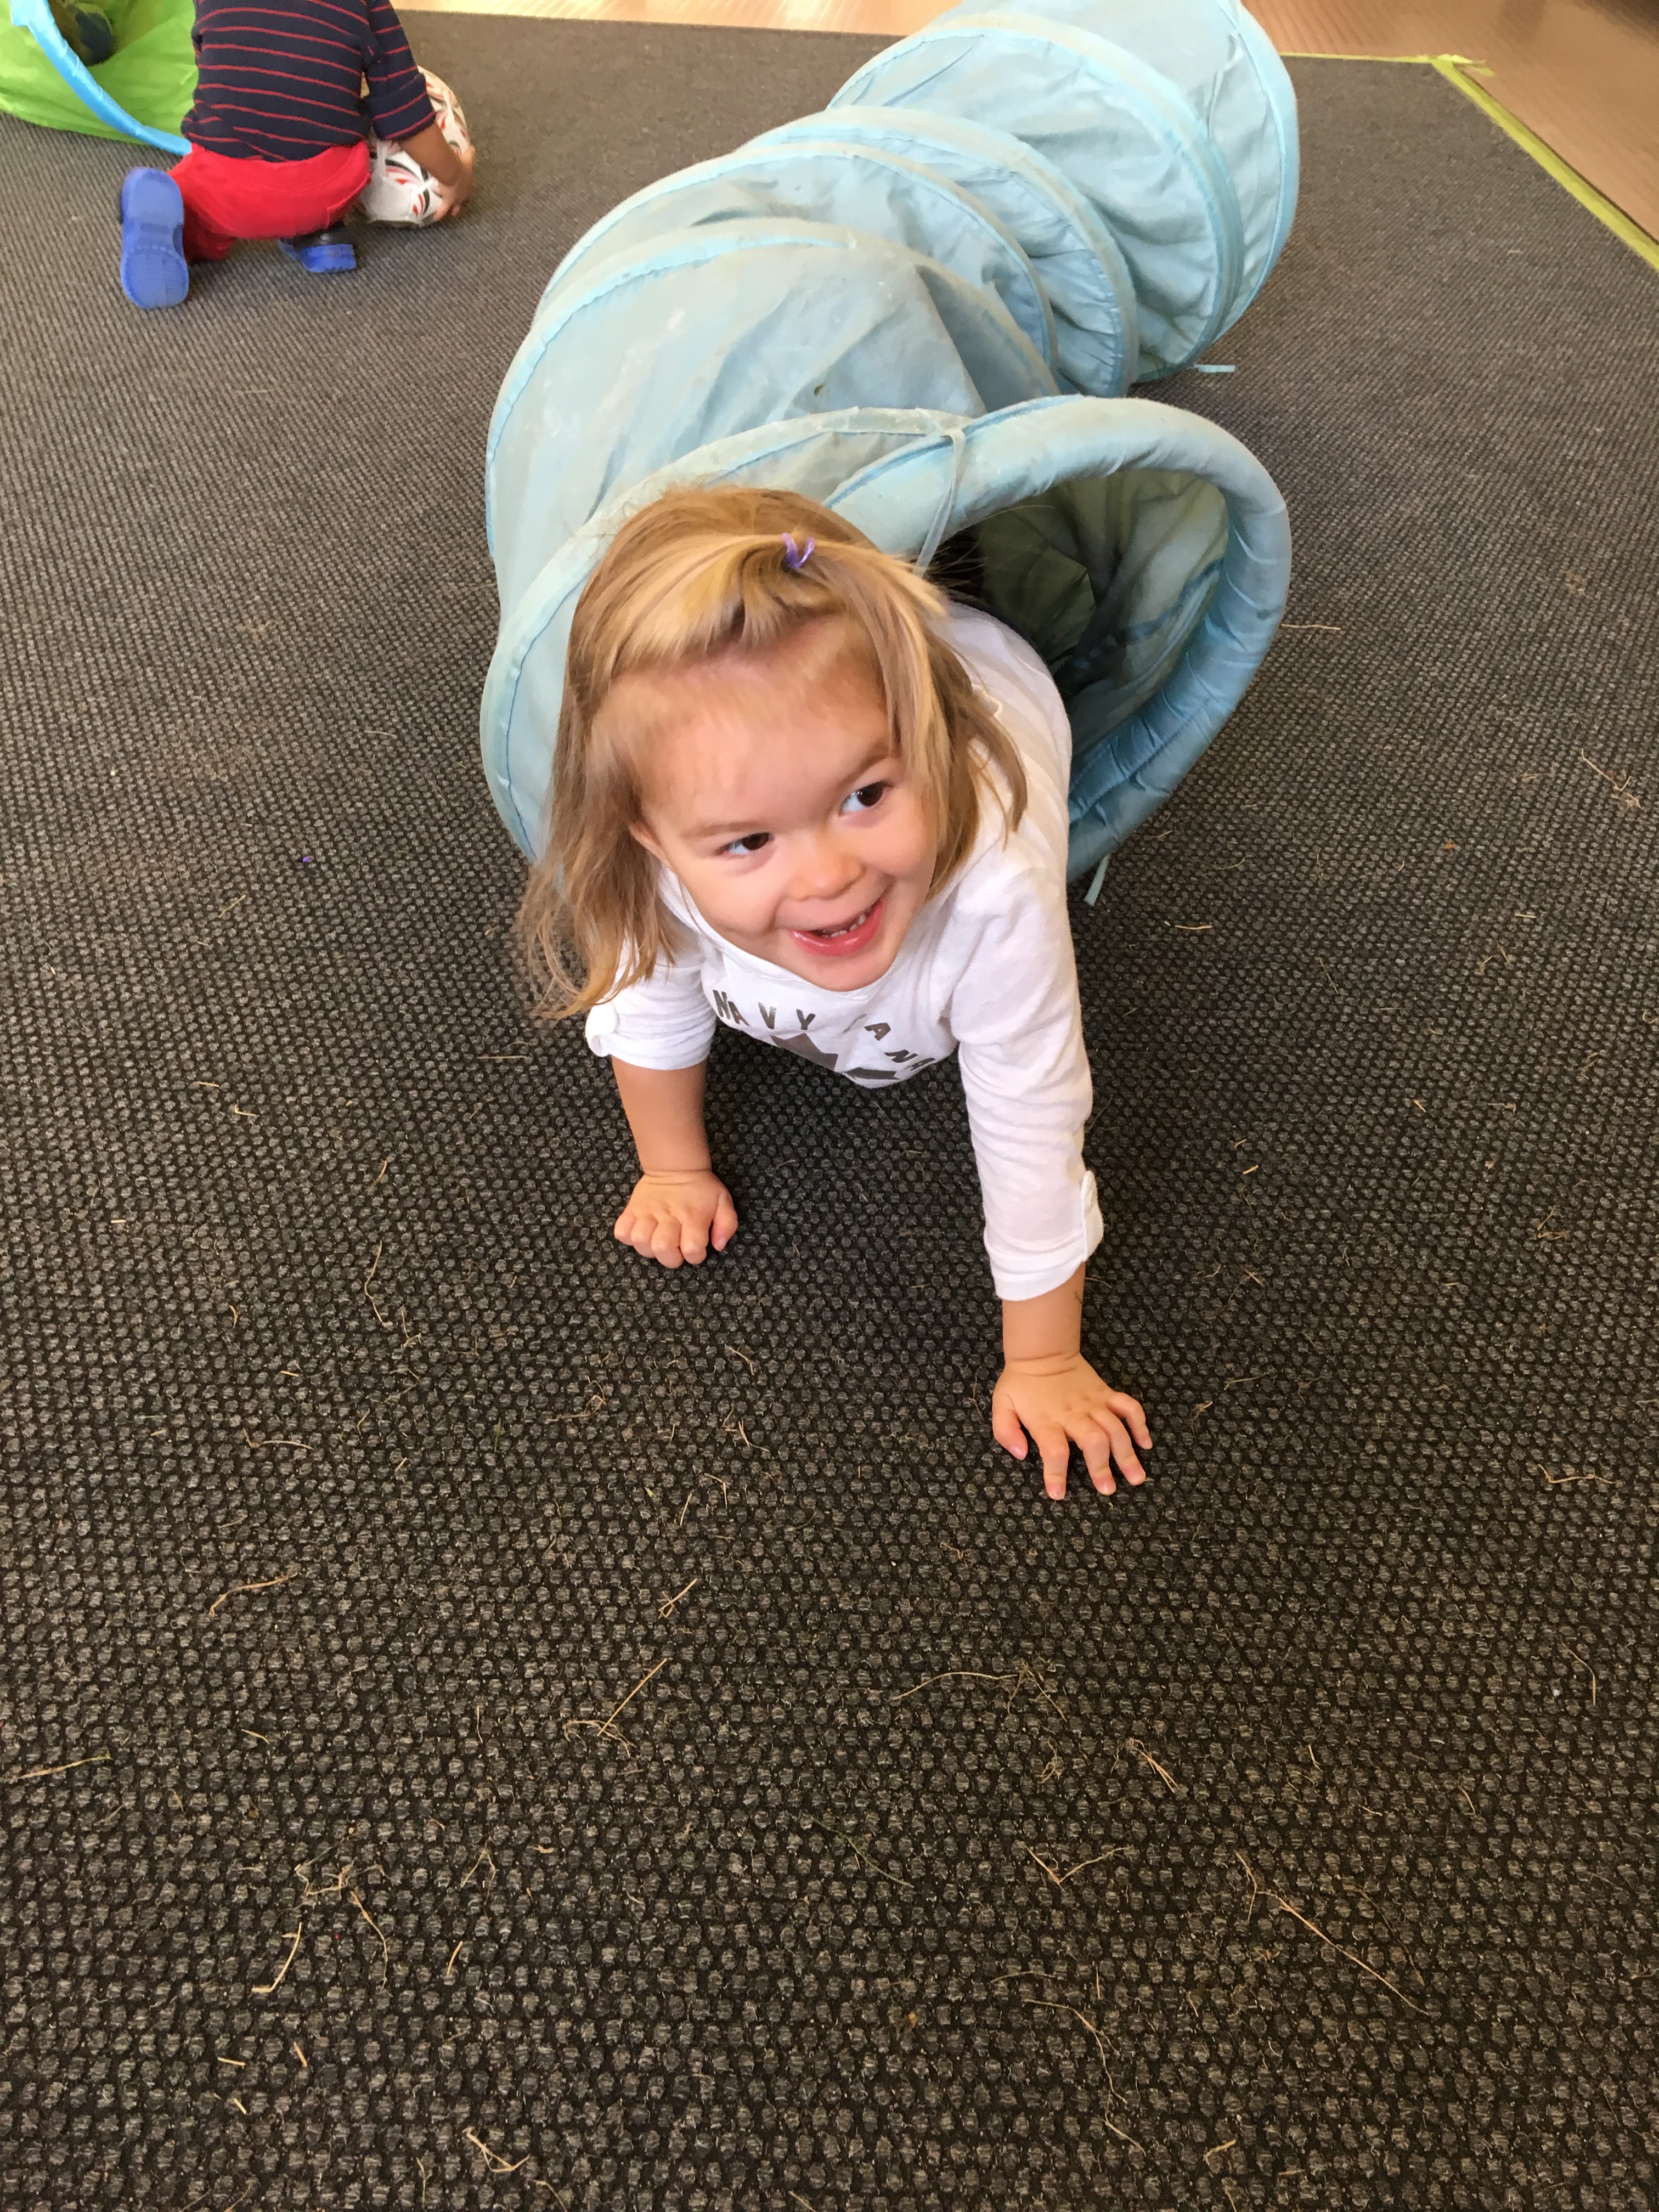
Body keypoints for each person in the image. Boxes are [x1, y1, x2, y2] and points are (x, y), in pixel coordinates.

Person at [516, 486, 1154, 1502]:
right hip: (844, 695)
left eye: (866, 796)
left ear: (927, 749)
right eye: (748, 842)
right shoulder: (654, 866)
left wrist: (1044, 1360)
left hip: (986, 663)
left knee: (957, 610)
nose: (827, 878)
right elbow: (649, 997)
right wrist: (673, 1167)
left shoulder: (992, 887)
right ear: (653, 838)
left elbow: (1031, 1103)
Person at [117, 0, 473, 310]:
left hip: (230, 193)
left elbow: (208, 57)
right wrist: (454, 176)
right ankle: (321, 235)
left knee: (193, 186)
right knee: (332, 123)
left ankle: (186, 234)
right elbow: (405, 115)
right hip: (329, 188)